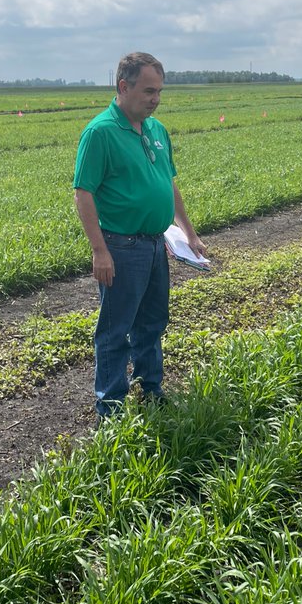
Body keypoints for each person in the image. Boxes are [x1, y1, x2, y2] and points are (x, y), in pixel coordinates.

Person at [73, 52, 206, 419]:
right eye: (149, 91)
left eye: (159, 91)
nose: (156, 99)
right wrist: (99, 251)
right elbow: (83, 193)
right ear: (123, 86)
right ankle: (110, 409)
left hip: (155, 244)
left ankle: (151, 389)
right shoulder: (100, 132)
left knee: (152, 322)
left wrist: (189, 233)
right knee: (115, 331)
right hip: (121, 247)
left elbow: (168, 183)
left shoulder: (156, 129)